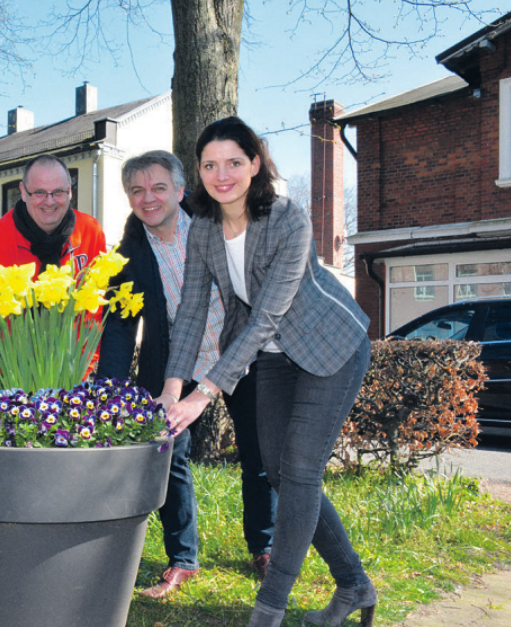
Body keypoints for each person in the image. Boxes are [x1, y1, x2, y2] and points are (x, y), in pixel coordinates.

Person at [161, 117, 374, 627]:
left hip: (330, 348)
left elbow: (267, 317)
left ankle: (269, 609)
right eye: (210, 164)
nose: (222, 174)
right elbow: (191, 310)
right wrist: (173, 388)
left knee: (301, 472)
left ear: (255, 164)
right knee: (280, 473)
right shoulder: (204, 230)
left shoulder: (288, 219)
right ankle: (355, 586)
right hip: (276, 360)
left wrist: (204, 392)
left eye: (234, 161)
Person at [96, 150, 277, 599]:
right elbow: (119, 326)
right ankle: (183, 558)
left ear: (180, 190)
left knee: (259, 451)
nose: (148, 198)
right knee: (169, 453)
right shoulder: (128, 254)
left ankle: (265, 544)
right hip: (175, 362)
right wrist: (110, 388)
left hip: (239, 350)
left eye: (159, 187)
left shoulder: (216, 223)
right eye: (137, 190)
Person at [0, 154, 105, 279]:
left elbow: (101, 291)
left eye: (58, 191)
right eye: (39, 192)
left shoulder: (91, 231)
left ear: (70, 191)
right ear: (23, 192)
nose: (49, 202)